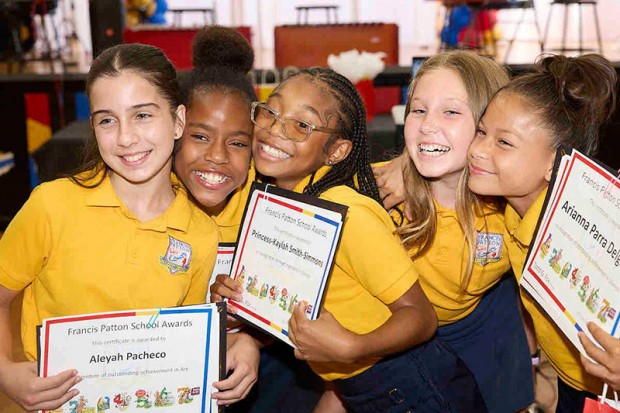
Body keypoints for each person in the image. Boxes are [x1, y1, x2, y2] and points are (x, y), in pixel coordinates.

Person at [0, 43, 258, 412]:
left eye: (142, 115)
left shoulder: (201, 233)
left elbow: (182, 342)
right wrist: (4, 372)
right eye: (107, 120)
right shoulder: (52, 206)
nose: (125, 137)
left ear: (178, 121)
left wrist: (241, 342)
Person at [224, 66, 487, 412]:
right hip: (355, 389)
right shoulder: (278, 202)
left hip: (417, 388)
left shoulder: (348, 213)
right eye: (270, 111)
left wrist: (353, 347)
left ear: (337, 151)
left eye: (301, 125)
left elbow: (421, 317)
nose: (274, 129)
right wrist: (239, 304)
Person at [174, 26, 323, 412]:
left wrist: (252, 340)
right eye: (200, 137)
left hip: (268, 363)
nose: (217, 156)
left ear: (256, 145)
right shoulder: (149, 199)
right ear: (174, 132)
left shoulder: (276, 201)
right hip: (169, 360)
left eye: (238, 143)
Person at [467, 53, 617, 413]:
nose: (477, 150)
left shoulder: (586, 230)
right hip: (572, 382)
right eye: (482, 132)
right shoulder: (509, 208)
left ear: (554, 163)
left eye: (504, 142)